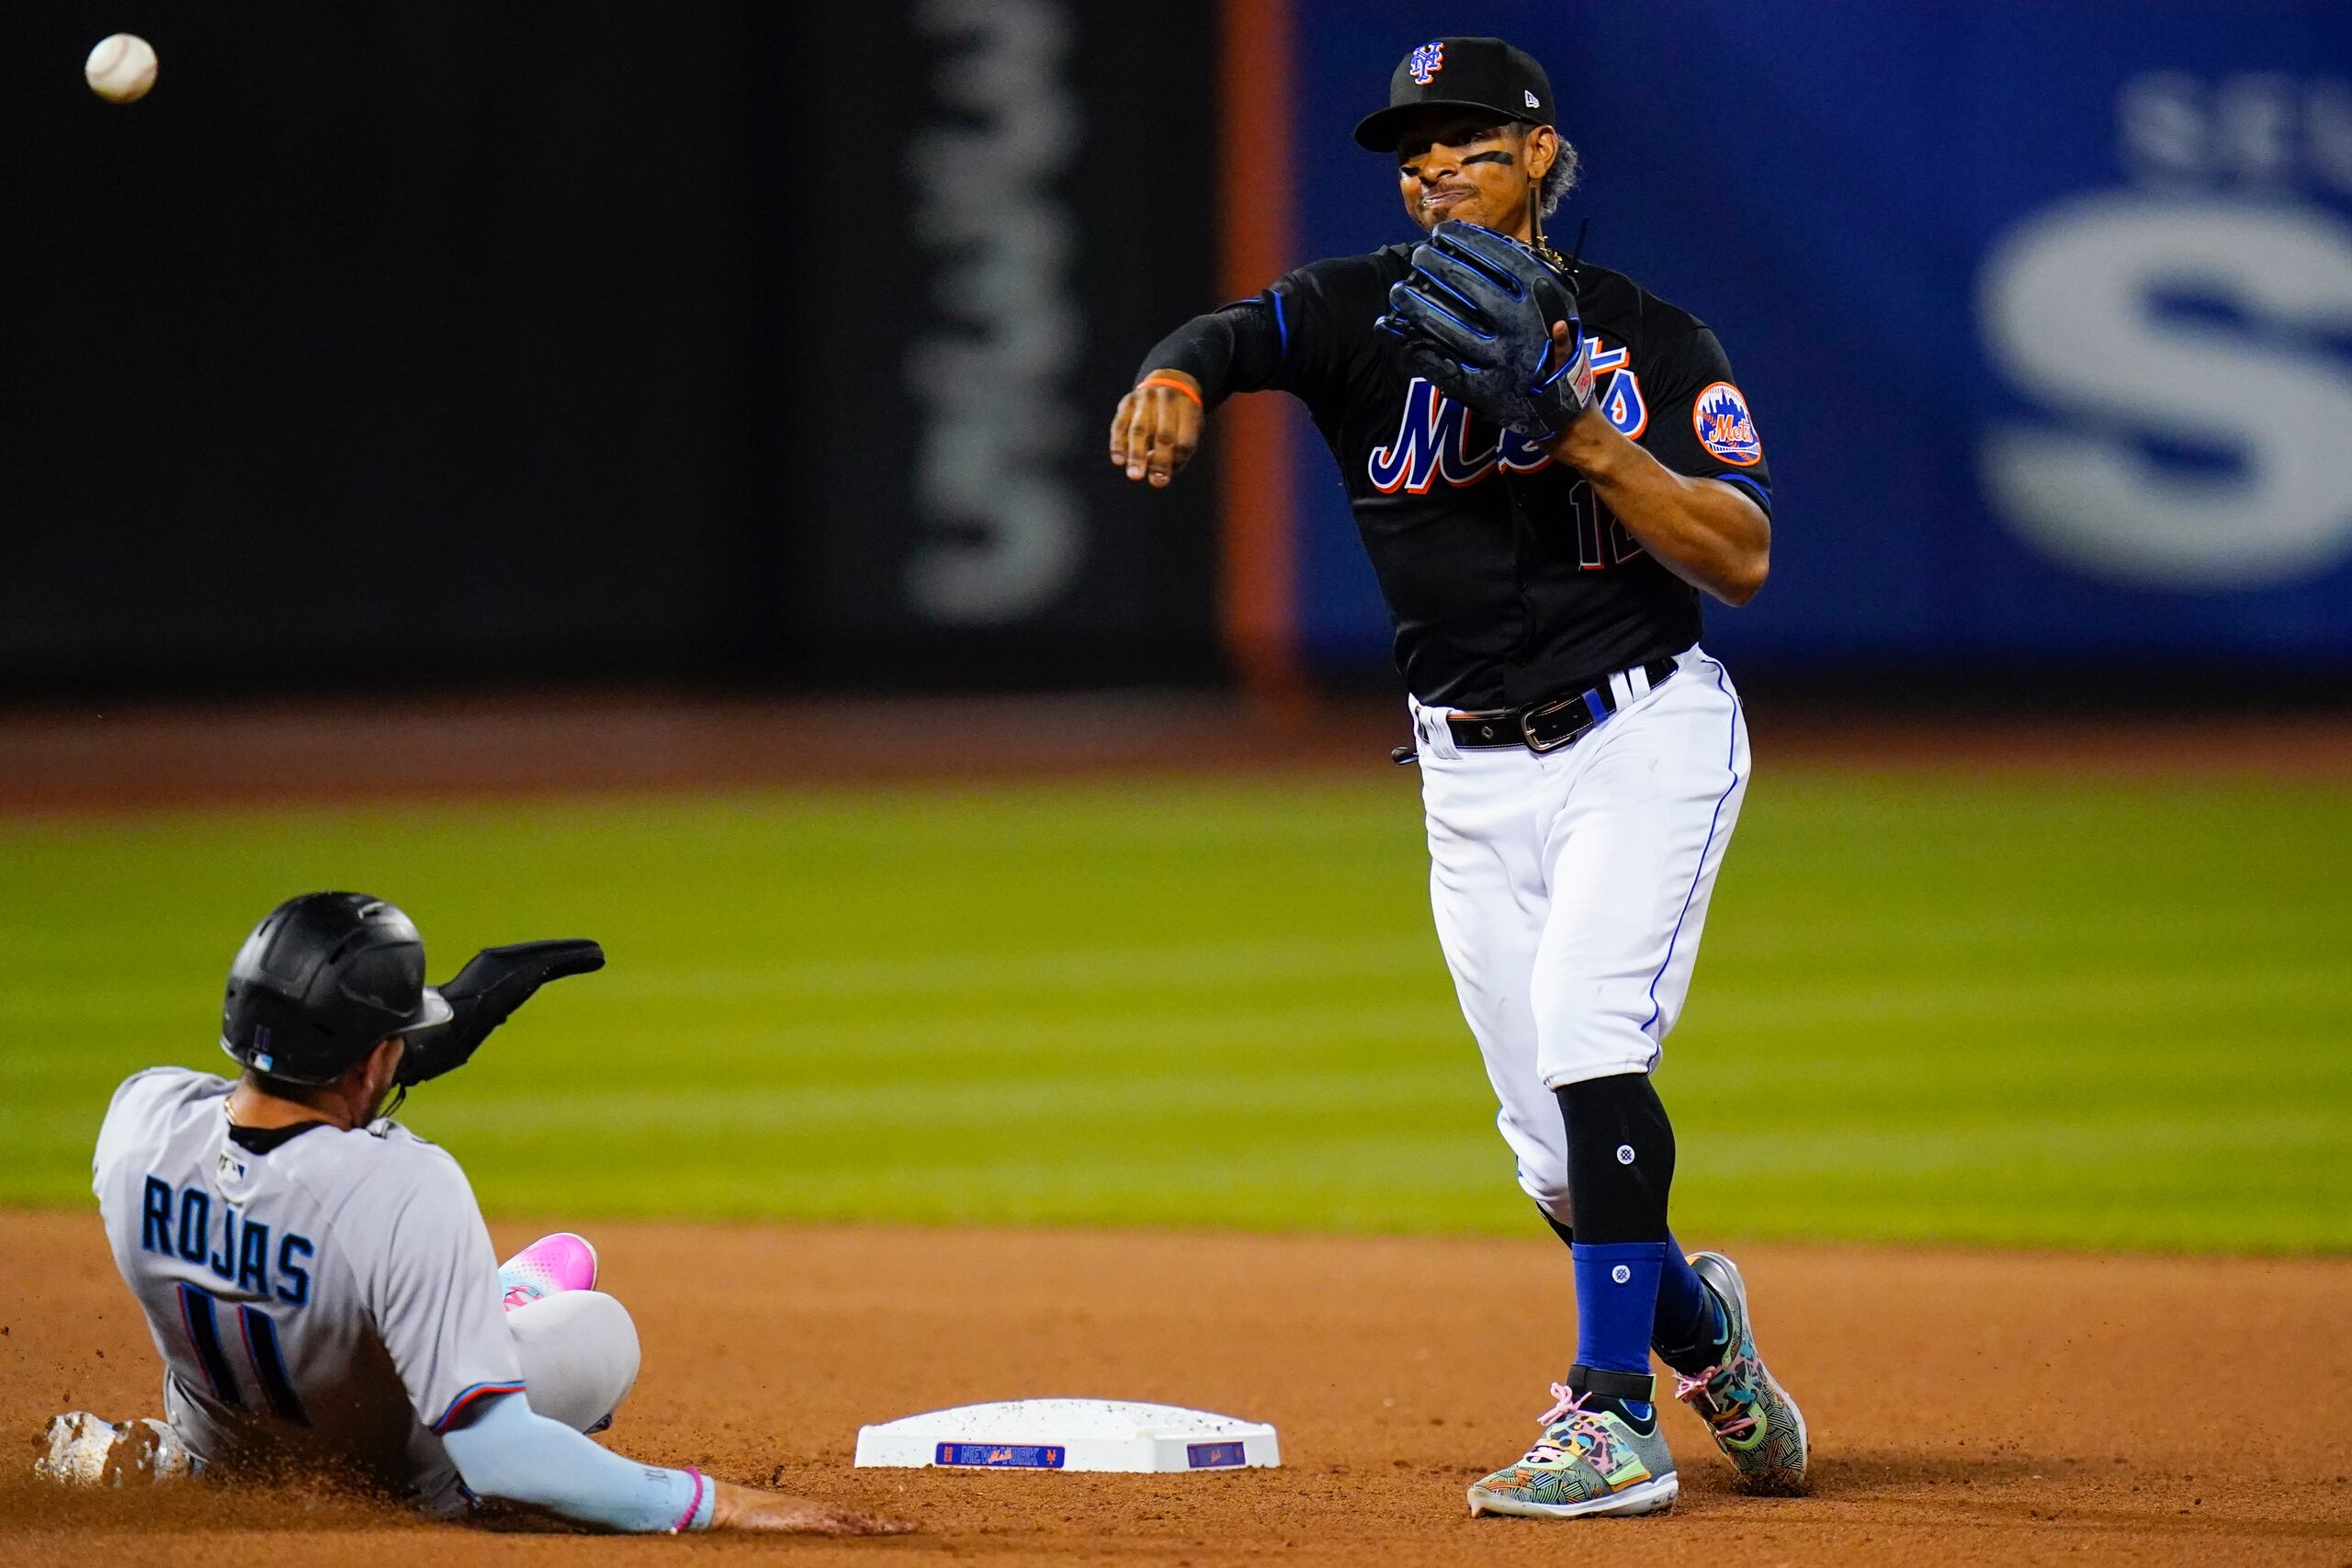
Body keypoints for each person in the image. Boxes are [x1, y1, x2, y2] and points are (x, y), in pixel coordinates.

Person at [1111, 36, 1804, 1519]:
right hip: (1464, 771)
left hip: (1641, 735)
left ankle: (1614, 1416)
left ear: (1543, 155)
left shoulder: (1651, 338)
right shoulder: (1361, 311)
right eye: (1411, 143)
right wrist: (1174, 371)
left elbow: (1738, 555)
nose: (1430, 162)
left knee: (1587, 1036)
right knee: (1557, 1160)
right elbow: (1235, 333)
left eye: (1467, 138)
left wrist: (1573, 430)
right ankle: (1706, 1339)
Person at [38, 891, 907, 1538]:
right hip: (408, 1479)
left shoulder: (136, 1124)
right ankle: (494, 1315)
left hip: (223, 1451)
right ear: (372, 1060)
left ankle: (174, 1450)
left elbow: (266, 1115)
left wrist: (372, 1048)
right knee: (601, 1325)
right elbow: (506, 1458)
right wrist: (726, 1503)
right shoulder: (403, 1187)